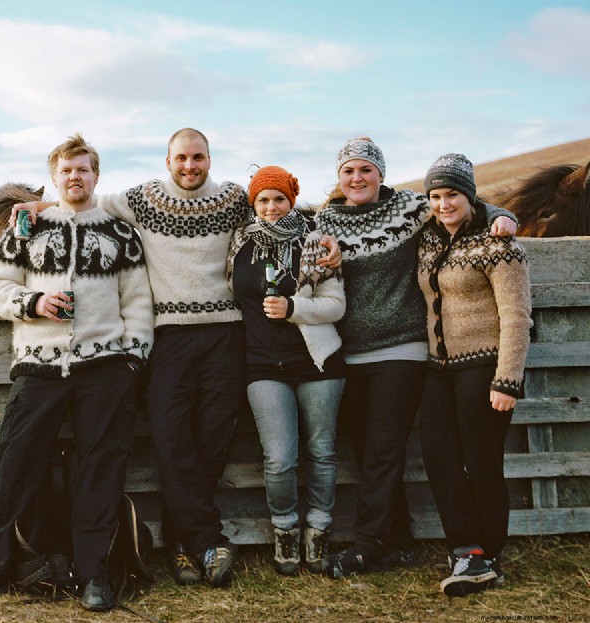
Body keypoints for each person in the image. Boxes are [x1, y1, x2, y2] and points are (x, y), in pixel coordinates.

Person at [12, 128, 342, 587]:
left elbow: (279, 207)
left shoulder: (231, 199)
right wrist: (37, 206)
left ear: (209, 159)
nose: (190, 166)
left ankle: (185, 548)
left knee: (212, 441)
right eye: (182, 158)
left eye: (198, 157)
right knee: (170, 438)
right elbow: (90, 201)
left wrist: (326, 241)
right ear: (167, 161)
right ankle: (207, 540)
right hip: (168, 337)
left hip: (226, 335)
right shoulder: (143, 198)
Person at [0, 134, 153, 612]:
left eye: (84, 169)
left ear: (97, 175)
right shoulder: (26, 228)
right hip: (39, 366)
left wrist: (132, 359)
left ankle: (94, 574)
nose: (76, 177)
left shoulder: (120, 234)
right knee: (16, 464)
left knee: (100, 468)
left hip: (106, 368)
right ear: (55, 177)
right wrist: (34, 303)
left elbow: (137, 303)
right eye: (67, 170)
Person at [313, 137, 518, 578]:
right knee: (366, 451)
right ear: (339, 177)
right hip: (350, 354)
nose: (357, 177)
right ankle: (399, 539)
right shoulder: (325, 220)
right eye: (348, 170)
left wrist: (503, 215)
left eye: (366, 169)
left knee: (385, 450)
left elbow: (462, 204)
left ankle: (367, 546)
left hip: (403, 350)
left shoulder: (410, 208)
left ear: (381, 173)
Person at [417, 153, 531, 597]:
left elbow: (517, 316)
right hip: (437, 369)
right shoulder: (425, 238)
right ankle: (465, 550)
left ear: (469, 195)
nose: (443, 204)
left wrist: (508, 379)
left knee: (482, 462)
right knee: (440, 459)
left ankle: (490, 553)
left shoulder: (498, 244)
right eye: (435, 196)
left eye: (452, 195)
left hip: (484, 368)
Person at [226, 166, 346, 575]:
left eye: (279, 198)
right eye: (263, 200)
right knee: (279, 456)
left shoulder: (315, 243)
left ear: (291, 200)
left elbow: (336, 305)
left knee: (322, 451)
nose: (272, 207)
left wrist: (294, 309)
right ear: (253, 204)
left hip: (317, 362)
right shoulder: (239, 243)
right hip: (261, 364)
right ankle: (285, 531)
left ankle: (319, 530)